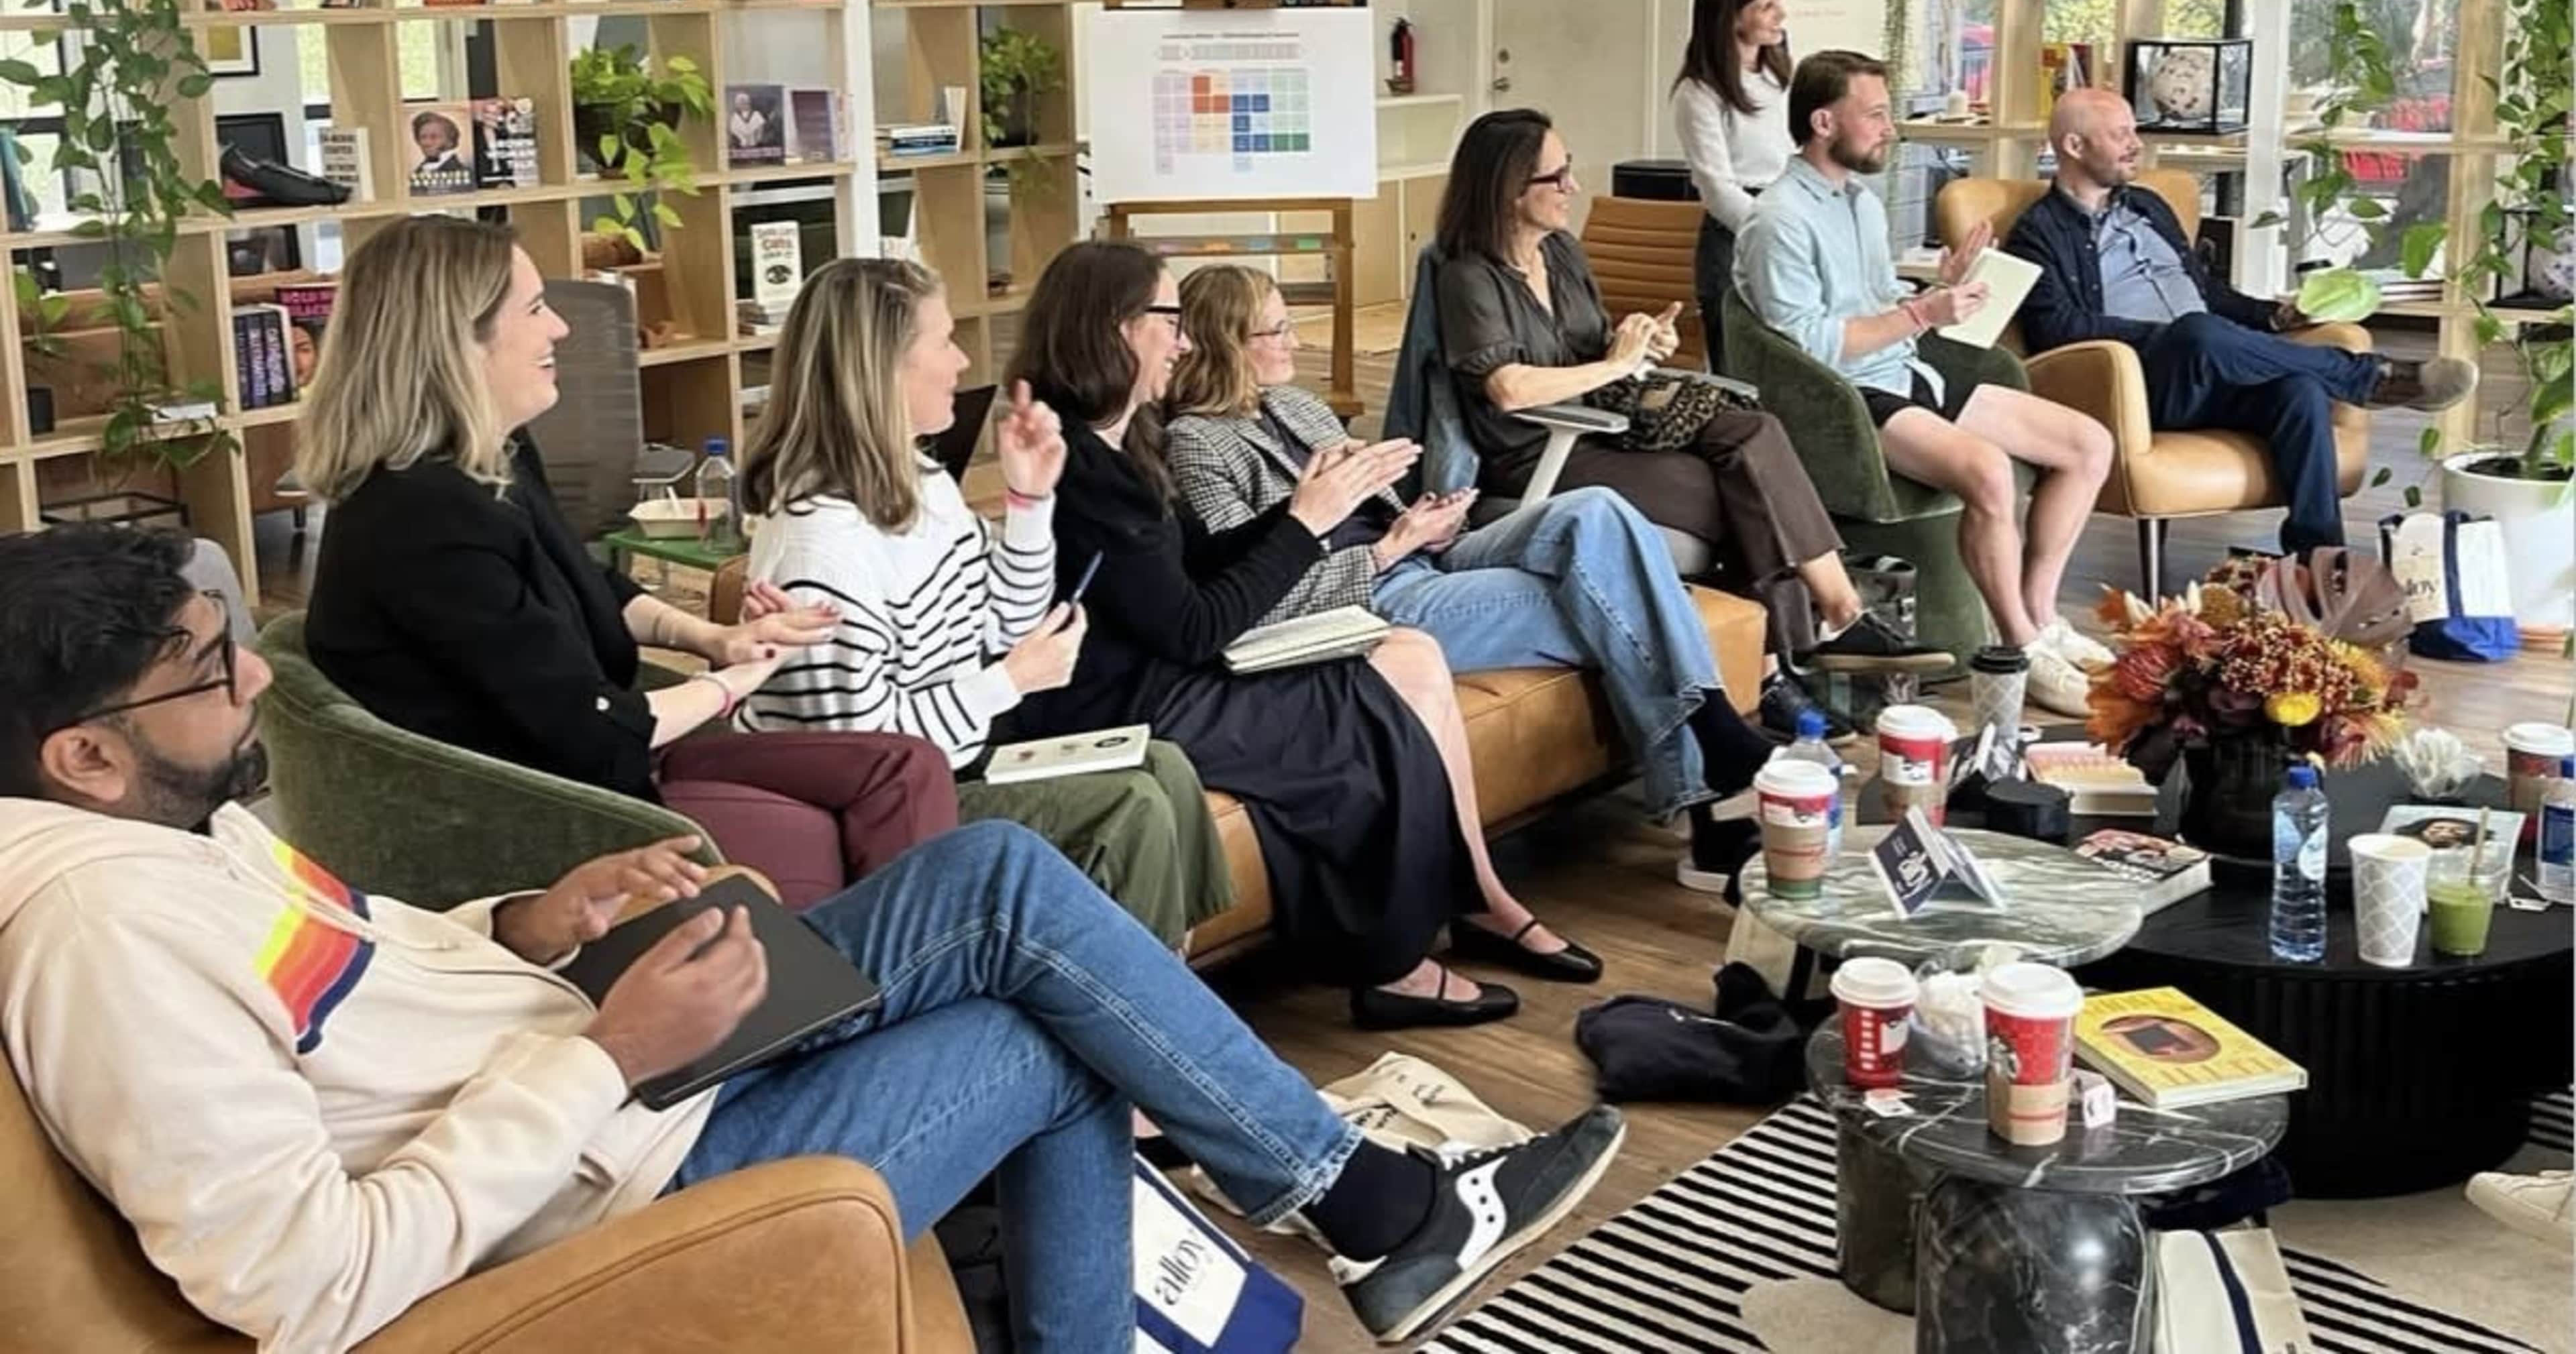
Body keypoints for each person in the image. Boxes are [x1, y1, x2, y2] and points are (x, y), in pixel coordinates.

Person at [0, 526, 1625, 1354]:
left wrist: (532, 922)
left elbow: (351, 993)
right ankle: (1370, 1202)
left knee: (992, 882)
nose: (255, 679)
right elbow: (309, 1282)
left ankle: (1362, 1199)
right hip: (592, 1189)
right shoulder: (95, 935)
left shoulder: (162, 827)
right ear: (80, 749)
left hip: (604, 1088)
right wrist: (600, 1052)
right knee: (1039, 1023)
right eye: (212, 667)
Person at [299, 216, 957, 908]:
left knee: (904, 766)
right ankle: (884, 973)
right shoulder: (420, 520)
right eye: (534, 309)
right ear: (458, 340)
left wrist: (712, 637)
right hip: (550, 805)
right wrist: (739, 678)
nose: (560, 327)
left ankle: (902, 957)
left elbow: (587, 583)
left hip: (599, 758)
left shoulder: (493, 458)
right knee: (824, 843)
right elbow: (594, 726)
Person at [1010, 239, 1578, 1028]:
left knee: (1374, 697)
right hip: (1124, 701)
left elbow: (1193, 566)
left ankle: (1405, 947)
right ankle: (1392, 962)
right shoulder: (1083, 462)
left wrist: (1305, 509)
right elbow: (1193, 626)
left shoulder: (1123, 439)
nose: (1180, 340)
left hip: (1163, 675)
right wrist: (1308, 525)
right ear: (1116, 328)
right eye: (1169, 321)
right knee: (1365, 718)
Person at [1169, 264, 1782, 893]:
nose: (1296, 342)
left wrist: (1423, 520)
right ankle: (1708, 784)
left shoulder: (1296, 405)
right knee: (1618, 600)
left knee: (1596, 509)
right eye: (1277, 330)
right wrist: (1384, 553)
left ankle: (1709, 745)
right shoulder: (1196, 443)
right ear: (1227, 342)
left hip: (1424, 556)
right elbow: (1250, 589)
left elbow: (1371, 505)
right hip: (1372, 596)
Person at [736, 256, 1233, 948]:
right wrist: (1009, 680)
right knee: (1131, 805)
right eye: (943, 342)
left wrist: (1030, 502)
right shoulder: (822, 548)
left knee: (1163, 765)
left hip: (958, 763)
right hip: (893, 806)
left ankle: (1167, 978)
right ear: (883, 368)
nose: (964, 360)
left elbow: (1006, 618)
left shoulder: (923, 482)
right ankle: (1147, 1006)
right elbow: (869, 756)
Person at [1433, 107, 1946, 738]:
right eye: (1556, 177)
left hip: (1600, 426)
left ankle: (1832, 618)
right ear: (1511, 190)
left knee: (1752, 432)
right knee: (1737, 492)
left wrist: (1639, 342)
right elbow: (1510, 390)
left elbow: (1595, 351)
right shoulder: (1467, 277)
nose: (1572, 186)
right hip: (1537, 450)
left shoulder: (1561, 254)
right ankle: (1779, 669)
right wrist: (1613, 365)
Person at [1735, 51, 2116, 713]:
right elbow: (1812, 346)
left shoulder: (1859, 203)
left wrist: (1945, 285)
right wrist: (1923, 312)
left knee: (2088, 445)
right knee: (1991, 472)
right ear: (1825, 121)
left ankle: (2041, 612)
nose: (1890, 128)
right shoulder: (1778, 219)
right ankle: (2019, 646)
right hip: (1846, 396)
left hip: (1906, 370)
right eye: (1876, 114)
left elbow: (1881, 301)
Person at [2008, 87, 2476, 555]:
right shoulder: (2036, 234)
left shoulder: (2148, 206)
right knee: (2198, 332)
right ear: (2074, 146)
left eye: (2134, 130)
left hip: (2211, 365)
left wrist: (2271, 316)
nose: (2136, 144)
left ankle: (2315, 559)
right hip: (2140, 386)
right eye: (2119, 134)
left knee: (2300, 391)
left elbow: (2205, 291)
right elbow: (2059, 329)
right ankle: (2364, 376)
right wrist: (2168, 340)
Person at [1671, 0, 1796, 360]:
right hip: (1737, 232)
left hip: (1784, 217)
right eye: (1767, 7)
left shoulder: (1778, 75)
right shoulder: (1700, 93)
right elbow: (1717, 189)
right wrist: (1773, 229)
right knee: (1738, 364)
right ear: (1731, 15)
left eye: (1778, 1)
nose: (1782, 14)